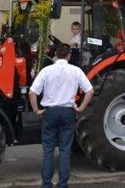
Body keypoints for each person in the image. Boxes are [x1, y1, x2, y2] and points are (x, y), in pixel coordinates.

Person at [29, 43, 94, 188]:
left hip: (50, 112)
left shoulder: (46, 70)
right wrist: (81, 107)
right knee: (65, 150)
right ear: (69, 55)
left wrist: (36, 110)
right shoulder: (75, 70)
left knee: (48, 150)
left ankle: (46, 184)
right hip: (67, 112)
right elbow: (90, 91)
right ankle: (62, 184)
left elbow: (32, 92)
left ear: (56, 54)